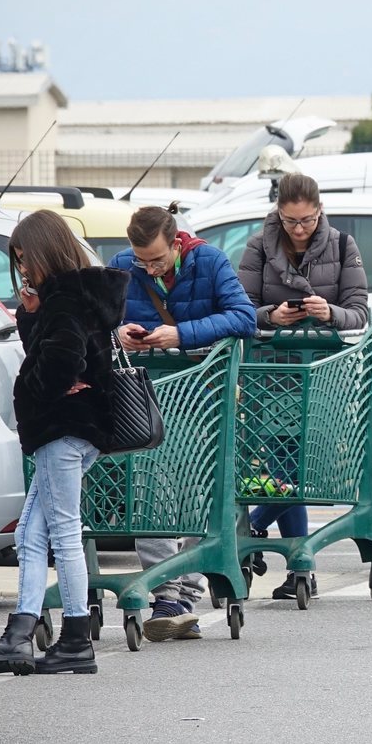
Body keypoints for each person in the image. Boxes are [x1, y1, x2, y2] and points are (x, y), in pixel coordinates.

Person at [0, 212, 128, 678]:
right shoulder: (76, 296)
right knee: (30, 535)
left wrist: (30, 388)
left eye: (24, 259)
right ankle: (22, 633)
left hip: (63, 429)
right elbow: (61, 357)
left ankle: (73, 638)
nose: (23, 269)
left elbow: (56, 366)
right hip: (78, 430)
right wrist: (30, 319)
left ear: (43, 252)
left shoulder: (64, 301)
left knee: (62, 532)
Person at [111, 206, 256, 641]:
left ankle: (184, 592)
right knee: (151, 488)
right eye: (142, 260)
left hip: (202, 393)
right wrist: (119, 332)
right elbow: (98, 320)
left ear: (176, 244)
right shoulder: (121, 267)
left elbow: (244, 317)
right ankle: (163, 591)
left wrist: (182, 333)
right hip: (145, 394)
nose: (148, 267)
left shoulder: (209, 260)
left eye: (156, 259)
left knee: (196, 488)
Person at [237, 172, 369, 597]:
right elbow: (241, 309)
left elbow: (359, 313)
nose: (299, 229)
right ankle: (299, 570)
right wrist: (270, 317)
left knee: (309, 463)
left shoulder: (344, 245)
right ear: (278, 212)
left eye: (307, 221)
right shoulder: (258, 246)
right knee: (282, 465)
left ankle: (257, 523)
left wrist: (329, 312)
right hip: (271, 371)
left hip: (325, 372)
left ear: (320, 212)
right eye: (291, 221)